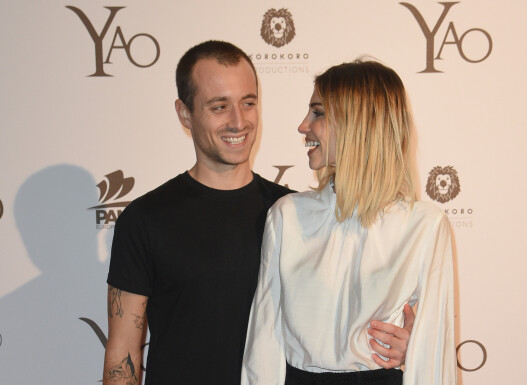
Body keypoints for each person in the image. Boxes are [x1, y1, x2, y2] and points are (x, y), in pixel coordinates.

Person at [102, 41, 414, 385]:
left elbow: (342, 329)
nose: (239, 121)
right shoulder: (145, 220)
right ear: (184, 113)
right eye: (219, 106)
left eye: (248, 103)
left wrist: (404, 345)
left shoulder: (297, 215)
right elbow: (122, 355)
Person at [242, 60, 456, 385]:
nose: (303, 126)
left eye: (318, 112)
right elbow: (263, 342)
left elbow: (432, 359)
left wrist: (414, 349)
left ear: (358, 123)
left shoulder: (425, 226)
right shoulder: (286, 216)